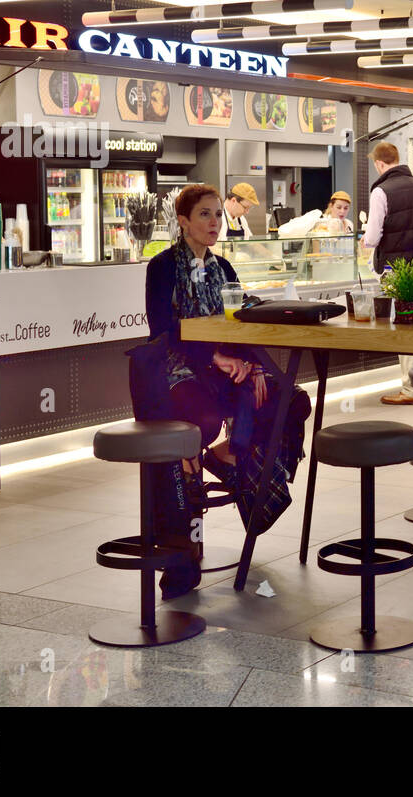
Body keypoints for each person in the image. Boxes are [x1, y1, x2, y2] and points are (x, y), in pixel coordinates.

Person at [145, 184, 290, 599]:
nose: (214, 223)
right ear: (184, 221)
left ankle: (233, 461)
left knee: (287, 402)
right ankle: (183, 553)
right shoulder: (162, 268)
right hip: (178, 371)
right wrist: (215, 359)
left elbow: (240, 318)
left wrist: (256, 364)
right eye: (204, 215)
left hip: (224, 369)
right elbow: (163, 332)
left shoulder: (224, 268)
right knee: (201, 422)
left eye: (216, 215)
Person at [363, 141, 413, 406]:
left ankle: (412, 389)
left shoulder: (381, 191)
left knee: (404, 325)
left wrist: (365, 242)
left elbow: (372, 237)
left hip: (394, 268)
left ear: (379, 163)